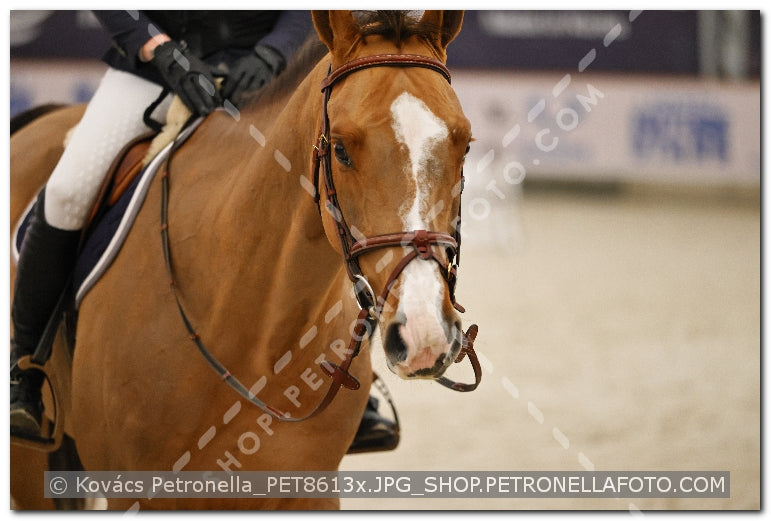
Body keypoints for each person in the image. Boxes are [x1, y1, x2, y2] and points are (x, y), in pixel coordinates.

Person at [10, 10, 397, 452]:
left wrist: (273, 52)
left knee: (322, 188)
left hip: (269, 70)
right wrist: (154, 45)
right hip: (152, 69)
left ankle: (348, 373)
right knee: (65, 192)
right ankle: (25, 369)